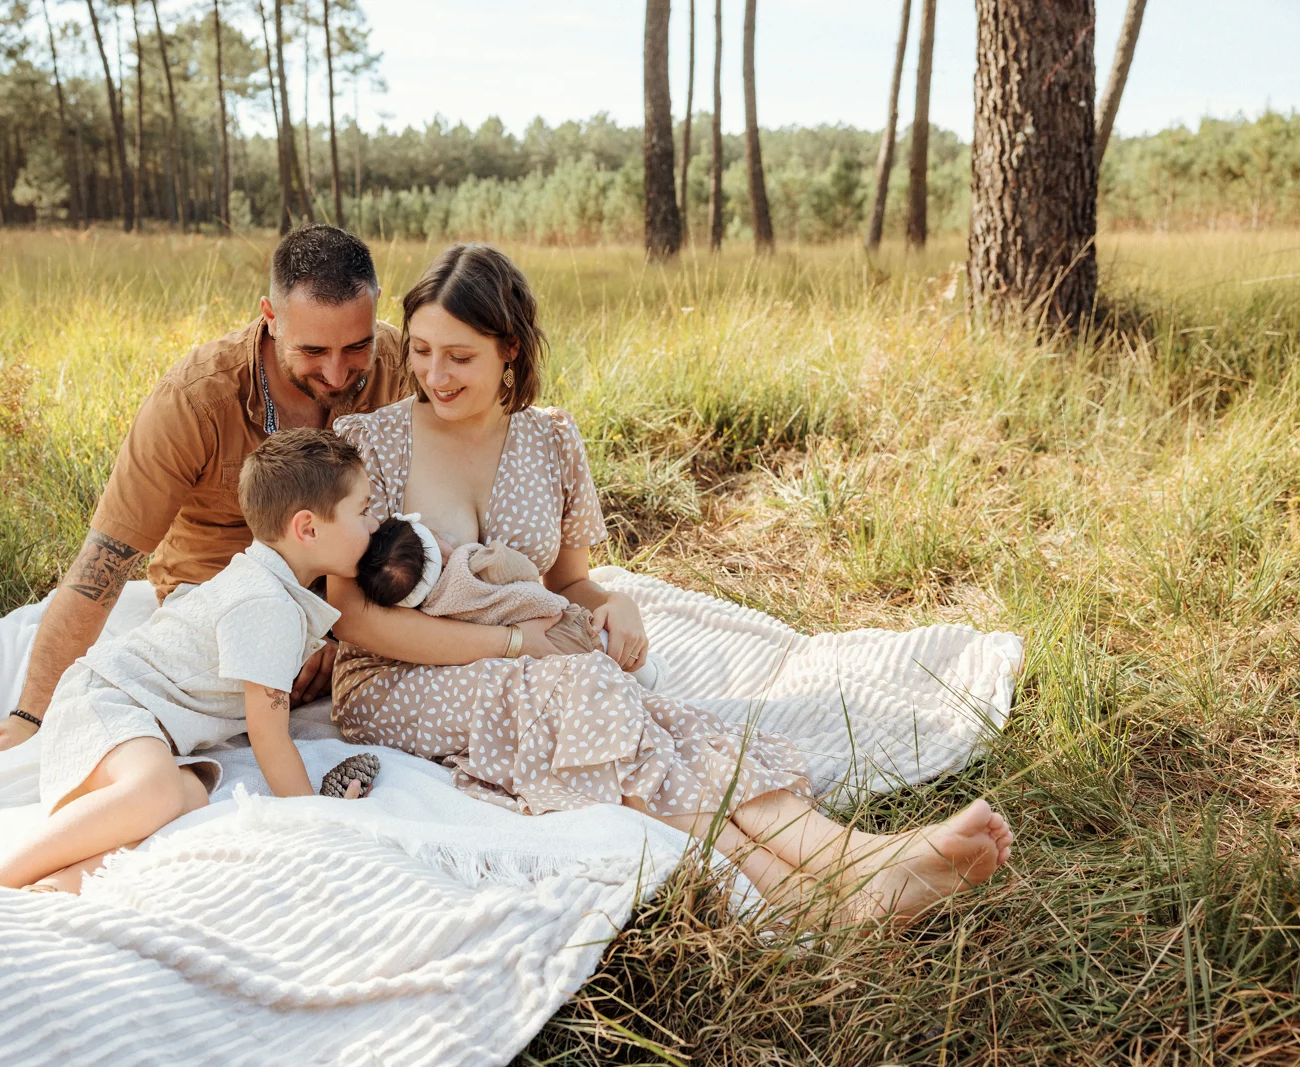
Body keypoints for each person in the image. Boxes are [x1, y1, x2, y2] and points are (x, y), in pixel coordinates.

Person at [328, 244, 1014, 925]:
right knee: (595, 697)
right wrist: (514, 644)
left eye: (459, 356)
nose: (434, 374)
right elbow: (353, 617)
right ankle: (832, 894)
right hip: (399, 679)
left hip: (535, 665)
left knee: (673, 727)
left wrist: (614, 602)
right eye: (420, 350)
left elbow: (570, 580)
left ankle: (854, 865)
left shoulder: (551, 441)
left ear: (510, 347)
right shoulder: (372, 444)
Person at [0, 225, 406, 757]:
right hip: (220, 608)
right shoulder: (193, 401)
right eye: (312, 351)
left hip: (348, 604)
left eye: (357, 346)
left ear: (377, 306)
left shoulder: (402, 361)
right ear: (270, 317)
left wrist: (339, 636)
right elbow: (102, 565)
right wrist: (28, 715)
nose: (336, 374)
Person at [0, 430, 378, 892]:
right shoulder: (267, 605)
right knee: (157, 789)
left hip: (141, 719)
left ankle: (63, 883)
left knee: (190, 795)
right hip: (108, 700)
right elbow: (269, 733)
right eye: (362, 511)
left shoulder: (270, 585)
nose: (373, 525)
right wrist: (318, 818)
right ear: (308, 529)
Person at [355, 513, 664, 689]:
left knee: (588, 681)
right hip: (559, 625)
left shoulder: (431, 609)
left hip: (524, 670)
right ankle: (649, 679)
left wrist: (618, 600)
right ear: (441, 553)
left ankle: (627, 689)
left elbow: (572, 580)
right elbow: (523, 571)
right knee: (606, 648)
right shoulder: (469, 563)